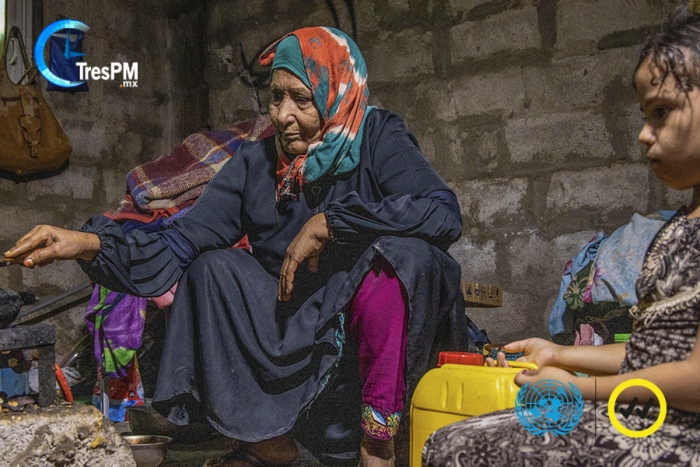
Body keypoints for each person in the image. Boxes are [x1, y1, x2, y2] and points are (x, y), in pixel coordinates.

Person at [4, 27, 468, 467]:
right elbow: (180, 241)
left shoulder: (377, 136)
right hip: (299, 328)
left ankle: (377, 443)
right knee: (211, 268)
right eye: (276, 96)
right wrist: (87, 243)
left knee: (403, 259)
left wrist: (334, 222)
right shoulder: (256, 161)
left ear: (337, 95)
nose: (282, 114)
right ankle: (269, 444)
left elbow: (442, 212)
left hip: (370, 339)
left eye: (301, 99)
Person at [422, 12, 700, 467]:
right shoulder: (681, 225)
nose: (644, 134)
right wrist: (560, 352)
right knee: (455, 438)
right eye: (645, 115)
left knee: (462, 449)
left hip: (678, 432)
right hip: (652, 413)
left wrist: (582, 388)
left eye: (663, 112)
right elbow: (653, 352)